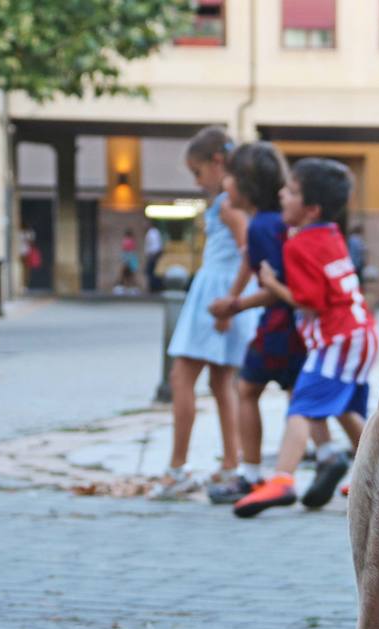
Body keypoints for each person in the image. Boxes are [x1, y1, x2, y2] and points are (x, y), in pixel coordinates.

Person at [233, 158, 378, 517]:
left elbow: (309, 301)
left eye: (292, 192)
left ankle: (282, 479)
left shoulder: (298, 246)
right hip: (361, 333)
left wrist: (271, 284)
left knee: (301, 406)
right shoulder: (331, 234)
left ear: (310, 209)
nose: (282, 194)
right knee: (342, 408)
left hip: (336, 337)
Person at [151, 127, 262, 500]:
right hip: (221, 293)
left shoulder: (227, 204)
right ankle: (230, 462)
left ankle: (177, 467)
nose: (198, 183)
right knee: (220, 383)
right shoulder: (230, 201)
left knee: (182, 378)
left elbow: (250, 248)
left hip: (216, 295)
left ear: (217, 162)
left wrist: (230, 301)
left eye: (198, 173)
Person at [202, 142, 313, 504]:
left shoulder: (262, 226)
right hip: (293, 325)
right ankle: (324, 458)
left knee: (247, 389)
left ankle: (251, 474)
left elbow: (275, 286)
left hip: (278, 324)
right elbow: (251, 264)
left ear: (246, 185)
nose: (224, 183)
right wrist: (233, 298)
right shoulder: (269, 224)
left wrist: (235, 306)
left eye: (230, 177)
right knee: (299, 395)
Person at [144, 222, 164, 292]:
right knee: (150, 272)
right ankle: (154, 287)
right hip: (153, 255)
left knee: (151, 272)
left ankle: (154, 288)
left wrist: (152, 255)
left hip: (153, 255)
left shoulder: (153, 232)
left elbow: (155, 246)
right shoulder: (153, 232)